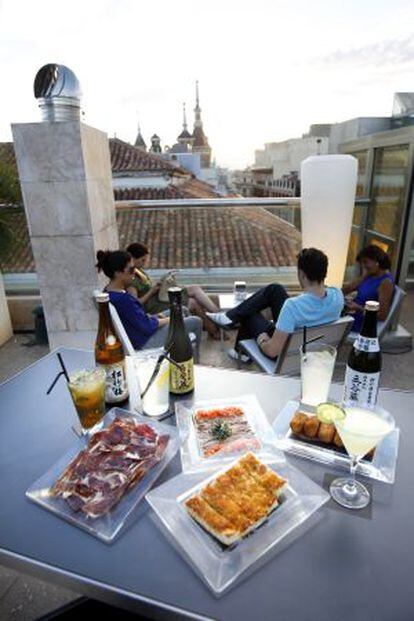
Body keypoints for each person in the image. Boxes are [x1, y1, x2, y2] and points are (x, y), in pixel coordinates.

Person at [207, 248, 344, 361]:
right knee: (275, 289)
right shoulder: (338, 296)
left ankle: (234, 332)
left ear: (302, 275)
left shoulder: (292, 306)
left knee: (250, 314)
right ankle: (230, 318)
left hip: (288, 353)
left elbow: (273, 351)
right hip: (311, 348)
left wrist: (263, 340)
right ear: (324, 273)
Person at [95, 250, 202, 352]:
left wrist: (161, 317)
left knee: (181, 309)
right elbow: (147, 326)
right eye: (131, 270)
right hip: (145, 341)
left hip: (139, 334)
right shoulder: (123, 300)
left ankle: (183, 351)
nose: (134, 274)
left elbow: (138, 319)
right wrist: (173, 318)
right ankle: (195, 360)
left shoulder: (109, 292)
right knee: (196, 321)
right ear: (118, 273)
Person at [126, 243, 222, 339]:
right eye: (143, 260)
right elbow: (136, 303)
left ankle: (218, 318)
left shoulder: (139, 271)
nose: (144, 263)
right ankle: (215, 329)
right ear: (133, 259)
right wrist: (152, 291)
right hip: (154, 306)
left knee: (195, 289)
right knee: (193, 303)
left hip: (159, 298)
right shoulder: (131, 280)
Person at [342, 244, 394, 333]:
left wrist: (359, 308)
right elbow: (345, 290)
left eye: (365, 262)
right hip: (352, 317)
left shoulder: (385, 283)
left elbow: (382, 316)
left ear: (377, 261)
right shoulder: (370, 275)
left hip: (362, 325)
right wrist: (363, 276)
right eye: (362, 263)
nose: (363, 266)